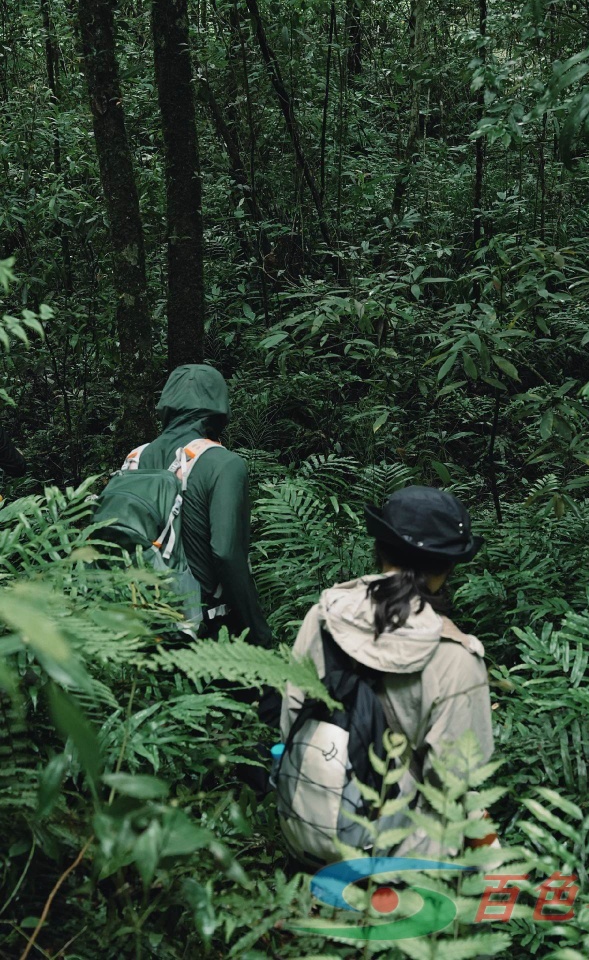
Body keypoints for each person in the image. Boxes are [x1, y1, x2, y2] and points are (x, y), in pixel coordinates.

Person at [279, 485, 495, 861]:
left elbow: (291, 718)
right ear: (445, 569)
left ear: (379, 549)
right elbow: (455, 783)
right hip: (403, 860)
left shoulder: (323, 618)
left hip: (306, 826)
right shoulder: (457, 658)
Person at [135, 364, 271, 647]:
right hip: (207, 634)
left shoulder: (135, 459)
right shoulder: (224, 464)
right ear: (219, 409)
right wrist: (259, 635)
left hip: (138, 629)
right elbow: (225, 553)